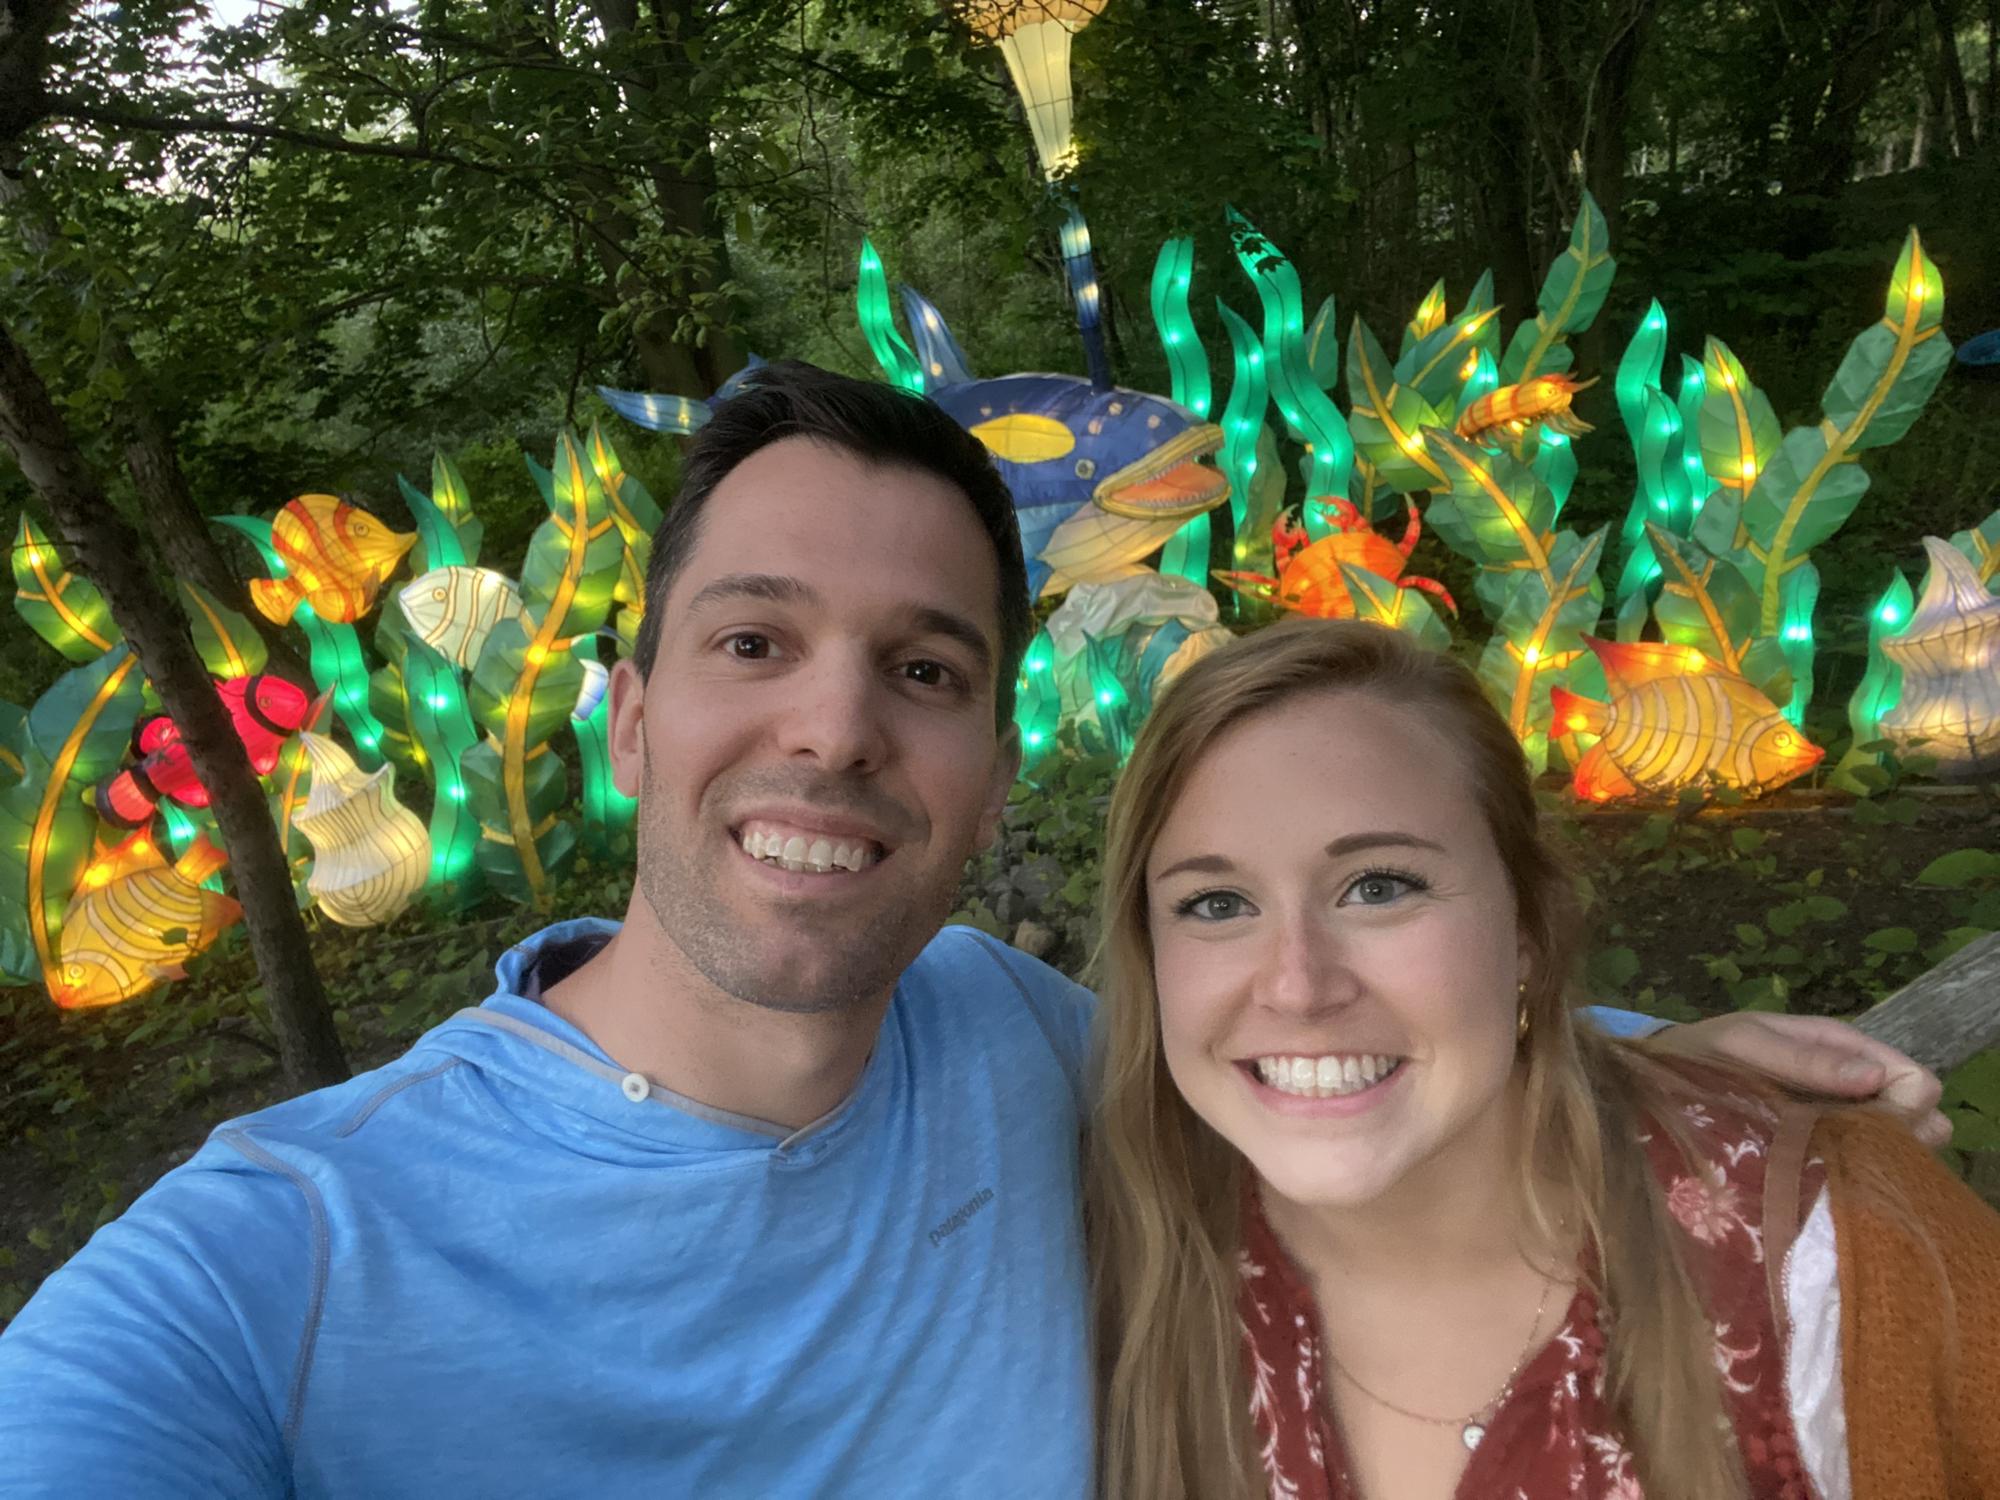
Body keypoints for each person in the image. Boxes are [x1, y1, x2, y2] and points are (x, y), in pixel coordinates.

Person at [0, 364, 1948, 1498]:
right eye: (752, 641)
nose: (833, 727)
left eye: (918, 668)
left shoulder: (996, 1027)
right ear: (629, 705)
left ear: (992, 761)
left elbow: (1275, 1026)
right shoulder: (272, 1265)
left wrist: (1603, 1046)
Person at [1088, 618, 2000, 1500]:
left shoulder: (1831, 1259)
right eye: (1215, 904)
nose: (1297, 986)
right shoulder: (1118, 1260)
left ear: (1528, 928)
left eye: (1379, 887)